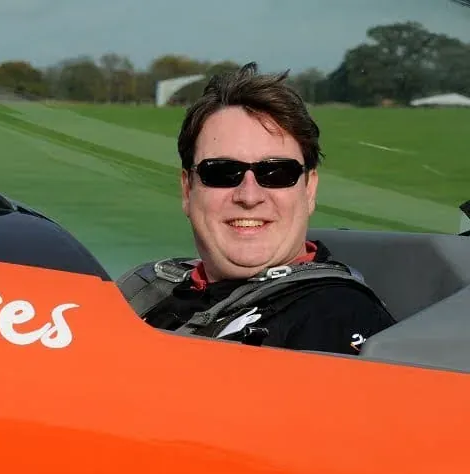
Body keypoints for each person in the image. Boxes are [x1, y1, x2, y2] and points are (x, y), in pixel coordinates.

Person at [117, 62, 396, 355]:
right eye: (222, 172)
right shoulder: (147, 291)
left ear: (309, 189)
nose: (249, 196)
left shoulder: (333, 318)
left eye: (277, 173)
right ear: (187, 190)